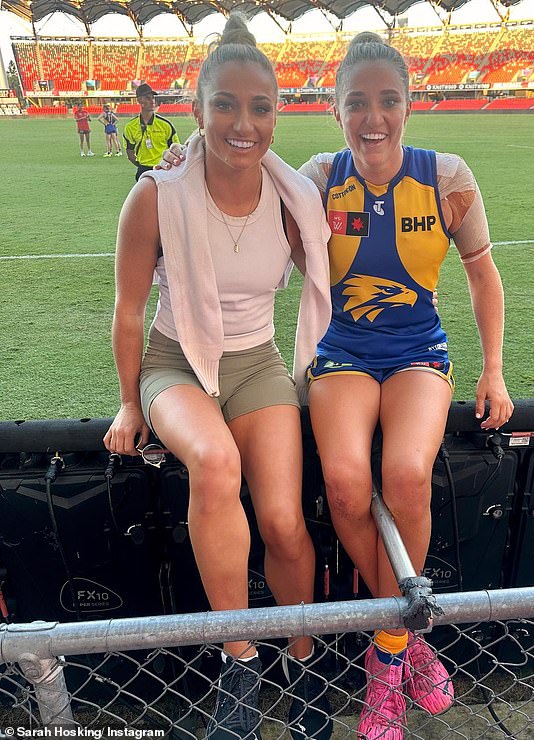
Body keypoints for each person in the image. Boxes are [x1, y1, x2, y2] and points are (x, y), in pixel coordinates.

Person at [158, 32, 514, 740]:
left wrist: (494, 367)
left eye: (388, 101)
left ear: (410, 106)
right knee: (348, 485)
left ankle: (389, 656)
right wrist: (184, 156)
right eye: (358, 103)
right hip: (341, 354)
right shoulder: (316, 177)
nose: (373, 117)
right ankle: (406, 634)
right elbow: (240, 168)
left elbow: (482, 274)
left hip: (418, 355)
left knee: (407, 474)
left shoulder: (446, 177)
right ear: (335, 109)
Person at [104, 15, 333, 740]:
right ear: (198, 108)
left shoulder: (294, 196)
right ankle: (239, 660)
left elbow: (342, 272)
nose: (244, 123)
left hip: (257, 363)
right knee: (212, 460)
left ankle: (303, 665)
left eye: (260, 107)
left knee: (284, 520)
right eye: (226, 105)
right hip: (176, 363)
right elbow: (130, 310)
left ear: (277, 112)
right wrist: (125, 403)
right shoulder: (158, 195)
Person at [123, 83, 179, 180]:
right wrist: (141, 165)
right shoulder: (130, 127)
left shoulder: (165, 125)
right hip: (143, 170)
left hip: (163, 168)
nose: (152, 101)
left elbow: (176, 148)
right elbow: (130, 153)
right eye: (148, 98)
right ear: (139, 100)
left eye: (153, 98)